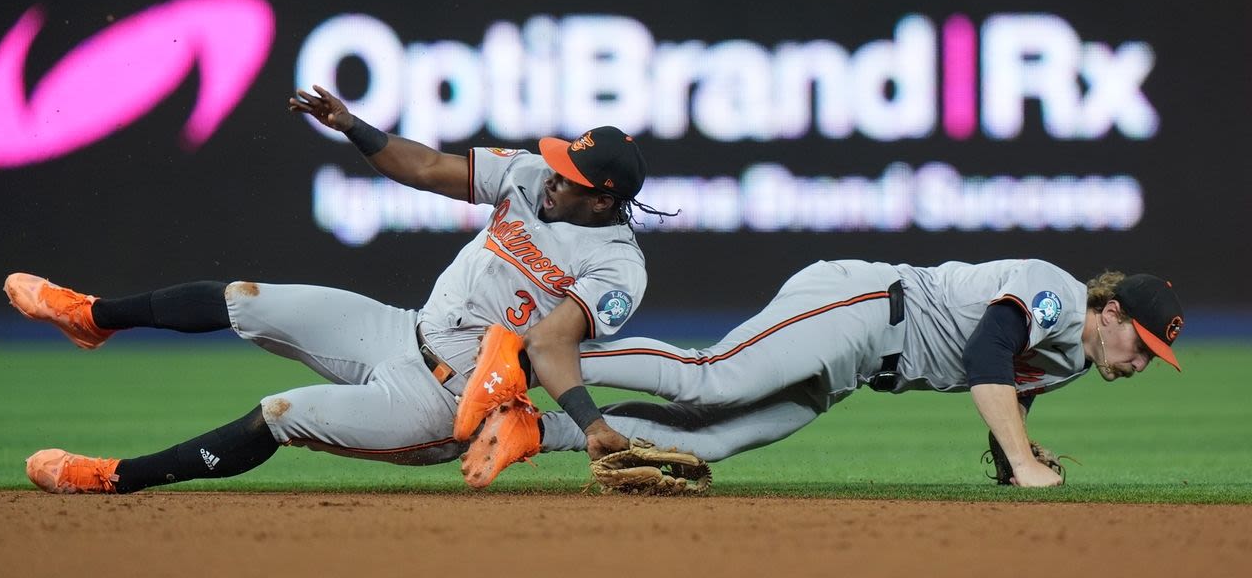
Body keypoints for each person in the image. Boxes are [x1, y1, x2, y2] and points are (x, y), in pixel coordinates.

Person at [4, 84, 667, 494]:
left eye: (571, 175)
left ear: (605, 197)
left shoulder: (617, 267)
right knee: (245, 298)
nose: (553, 176)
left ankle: (115, 477)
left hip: (442, 402)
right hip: (398, 329)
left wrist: (590, 424)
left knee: (279, 413)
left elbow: (553, 344)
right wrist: (353, 126)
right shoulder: (526, 174)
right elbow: (429, 166)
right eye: (558, 162)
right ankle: (92, 316)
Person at [459, 258, 1185, 488]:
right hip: (865, 306)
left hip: (863, 363)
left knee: (715, 437)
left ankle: (534, 428)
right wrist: (1025, 462)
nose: (1141, 359)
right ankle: (526, 351)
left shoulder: (1070, 363)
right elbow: (985, 357)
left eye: (1154, 355)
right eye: (1142, 342)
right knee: (714, 375)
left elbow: (1010, 398)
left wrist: (1011, 457)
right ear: (1111, 310)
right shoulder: (1054, 292)